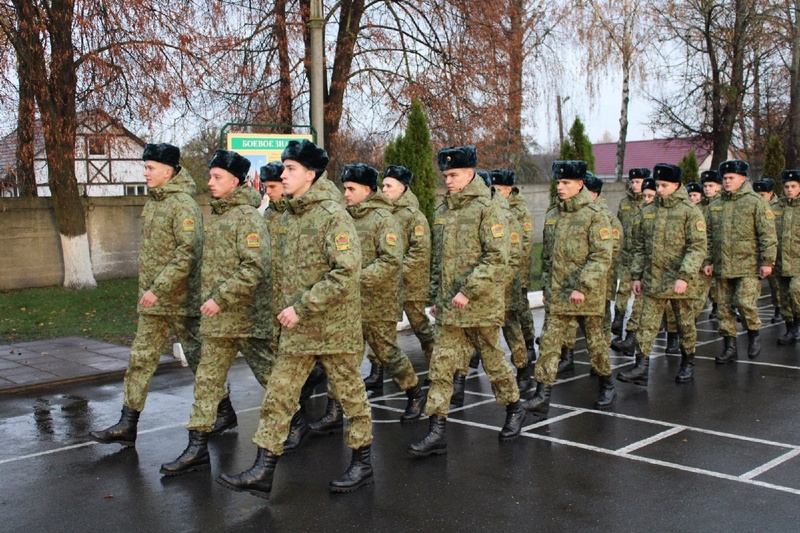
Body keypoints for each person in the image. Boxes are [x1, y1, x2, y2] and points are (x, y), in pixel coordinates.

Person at [216, 139, 374, 498]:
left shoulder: (333, 216)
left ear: (311, 174)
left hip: (333, 328)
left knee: (351, 397)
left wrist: (301, 307)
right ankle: (264, 469)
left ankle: (363, 464)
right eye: (283, 168)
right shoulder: (287, 214)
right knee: (279, 395)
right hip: (296, 331)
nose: (283, 175)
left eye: (290, 169)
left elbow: (346, 271)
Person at [160, 150, 276, 475]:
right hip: (217, 322)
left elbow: (255, 268)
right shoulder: (220, 215)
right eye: (210, 176)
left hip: (245, 320)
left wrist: (220, 299)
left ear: (235, 181)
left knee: (274, 379)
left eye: (216, 177)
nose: (209, 182)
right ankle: (196, 447)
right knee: (206, 382)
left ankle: (295, 423)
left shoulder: (248, 218)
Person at [408, 145, 524, 457]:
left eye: (453, 174)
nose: (447, 180)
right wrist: (436, 296)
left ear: (470, 173)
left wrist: (467, 291)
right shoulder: (444, 210)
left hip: (479, 305)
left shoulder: (489, 206)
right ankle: (437, 430)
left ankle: (514, 408)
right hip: (449, 307)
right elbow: (438, 261)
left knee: (493, 361)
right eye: (445, 175)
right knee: (441, 365)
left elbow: (498, 256)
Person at [90, 143, 205, 448]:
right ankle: (128, 423)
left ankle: (224, 411)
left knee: (201, 359)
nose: (145, 173)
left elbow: (187, 252)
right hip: (154, 302)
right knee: (140, 359)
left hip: (180, 299)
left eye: (150, 168)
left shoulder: (182, 204)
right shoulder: (154, 202)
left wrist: (158, 288)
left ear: (168, 171)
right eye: (146, 167)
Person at [523, 160, 615, 420]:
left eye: (565, 183)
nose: (560, 187)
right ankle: (542, 395)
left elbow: (601, 256)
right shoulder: (554, 213)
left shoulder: (595, 215)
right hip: (559, 294)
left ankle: (607, 384)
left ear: (580, 184)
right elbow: (548, 257)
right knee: (550, 344)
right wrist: (545, 286)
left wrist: (583, 286)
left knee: (596, 345)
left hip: (586, 295)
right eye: (558, 182)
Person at [339, 163, 425, 421]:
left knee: (387, 352)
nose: (346, 194)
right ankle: (335, 411)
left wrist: (356, 279)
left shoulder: (384, 219)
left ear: (366, 190)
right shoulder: (346, 218)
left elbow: (390, 261)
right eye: (344, 188)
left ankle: (414, 392)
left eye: (351, 189)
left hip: (380, 301)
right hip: (351, 301)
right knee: (345, 358)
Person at [616, 163, 707, 385]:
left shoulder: (690, 212)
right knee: (646, 324)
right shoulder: (648, 212)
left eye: (664, 185)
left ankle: (688, 362)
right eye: (657, 185)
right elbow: (640, 247)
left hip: (680, 282)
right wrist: (636, 276)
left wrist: (684, 276)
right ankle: (641, 366)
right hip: (653, 280)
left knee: (684, 324)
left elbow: (697, 247)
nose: (660, 189)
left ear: (676, 185)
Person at [362, 165, 434, 393]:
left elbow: (419, 252)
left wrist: (395, 271)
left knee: (421, 327)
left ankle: (438, 369)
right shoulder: (382, 214)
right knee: (382, 330)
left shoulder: (415, 217)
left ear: (402, 188)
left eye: (388, 185)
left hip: (410, 284)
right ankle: (376, 373)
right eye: (382, 185)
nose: (383, 189)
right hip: (386, 286)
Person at [704, 160, 777, 363]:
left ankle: (753, 332)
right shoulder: (715, 205)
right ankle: (730, 346)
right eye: (725, 178)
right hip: (722, 266)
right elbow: (708, 236)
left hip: (748, 265)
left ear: (743, 178)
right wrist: (708, 260)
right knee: (724, 308)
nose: (726, 182)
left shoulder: (756, 202)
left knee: (745, 303)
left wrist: (767, 261)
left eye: (731, 178)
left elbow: (768, 235)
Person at [558, 172, 622, 375]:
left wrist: (590, 279)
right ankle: (566, 359)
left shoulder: (605, 219)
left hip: (597, 283)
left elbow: (610, 253)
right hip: (568, 284)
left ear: (593, 194)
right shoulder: (566, 213)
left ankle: (602, 371)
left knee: (597, 329)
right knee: (564, 328)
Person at [611, 176, 656, 355]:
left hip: (656, 266)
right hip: (634, 258)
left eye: (650, 196)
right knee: (628, 293)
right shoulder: (628, 205)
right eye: (633, 182)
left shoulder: (658, 213)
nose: (647, 200)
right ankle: (627, 334)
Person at [612, 168, 648, 337]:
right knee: (623, 288)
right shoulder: (624, 202)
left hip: (643, 256)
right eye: (632, 182)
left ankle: (634, 327)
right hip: (626, 254)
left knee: (639, 291)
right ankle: (618, 319)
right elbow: (618, 226)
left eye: (638, 182)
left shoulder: (649, 202)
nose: (634, 185)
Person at [753, 178, 783, 324]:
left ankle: (779, 308)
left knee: (776, 283)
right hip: (756, 251)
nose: (759, 197)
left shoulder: (778, 207)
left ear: (771, 193)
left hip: (776, 250)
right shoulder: (753, 205)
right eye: (757, 194)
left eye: (762, 194)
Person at [776, 170, 800, 343]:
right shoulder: (776, 208)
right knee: (783, 297)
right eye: (786, 186)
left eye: (793, 186)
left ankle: (798, 326)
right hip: (780, 261)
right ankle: (790, 328)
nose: (789, 190)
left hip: (798, 260)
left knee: (796, 291)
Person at [700, 170, 723, 319]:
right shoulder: (699, 206)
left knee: (718, 286)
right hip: (703, 252)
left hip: (720, 252)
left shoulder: (722, 204)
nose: (707, 189)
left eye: (711, 185)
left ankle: (718, 306)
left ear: (718, 187)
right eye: (705, 186)